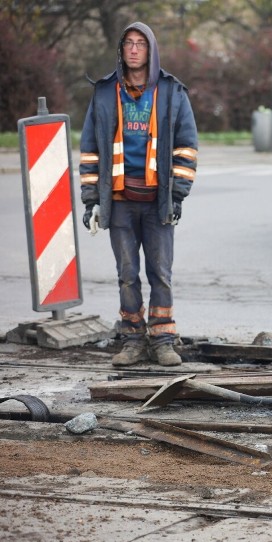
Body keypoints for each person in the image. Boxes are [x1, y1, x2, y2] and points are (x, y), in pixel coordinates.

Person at [79, 22, 198, 367]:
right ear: (121, 50)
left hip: (158, 203)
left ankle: (162, 340)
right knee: (127, 274)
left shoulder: (172, 92)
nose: (133, 49)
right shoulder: (104, 92)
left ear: (151, 51)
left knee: (160, 273)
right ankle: (132, 339)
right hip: (119, 203)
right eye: (128, 43)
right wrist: (91, 201)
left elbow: (187, 147)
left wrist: (177, 195)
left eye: (140, 44)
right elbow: (90, 150)